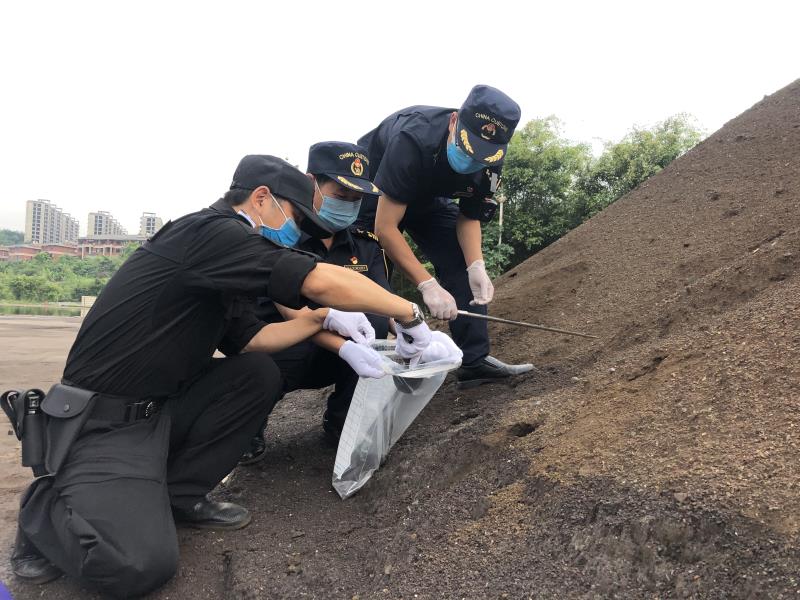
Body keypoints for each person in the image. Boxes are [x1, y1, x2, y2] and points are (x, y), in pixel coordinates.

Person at [9, 155, 436, 598]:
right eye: (295, 218)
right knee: (137, 565)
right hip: (105, 421)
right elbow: (316, 280)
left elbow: (252, 340)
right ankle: (43, 508)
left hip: (159, 411)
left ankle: (179, 494)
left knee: (256, 374)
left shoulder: (224, 263)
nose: (296, 234)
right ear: (261, 198)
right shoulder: (210, 233)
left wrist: (320, 320)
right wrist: (409, 312)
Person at [355, 84, 533, 388]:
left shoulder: (492, 158)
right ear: (454, 122)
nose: (473, 161)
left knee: (460, 261)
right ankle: (375, 371)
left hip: (430, 198)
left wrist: (476, 265)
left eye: (482, 157)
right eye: (467, 148)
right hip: (377, 194)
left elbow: (469, 216)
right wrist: (427, 285)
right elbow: (386, 228)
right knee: (372, 274)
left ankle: (474, 362)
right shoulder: (412, 139)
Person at [241, 141, 394, 463]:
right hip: (282, 347)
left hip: (338, 353)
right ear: (312, 184)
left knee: (377, 326)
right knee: (260, 362)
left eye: (355, 199)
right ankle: (246, 425)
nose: (348, 205)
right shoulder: (281, 234)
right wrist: (345, 346)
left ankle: (343, 420)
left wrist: (413, 327)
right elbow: (293, 311)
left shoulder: (365, 245)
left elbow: (383, 300)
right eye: (340, 195)